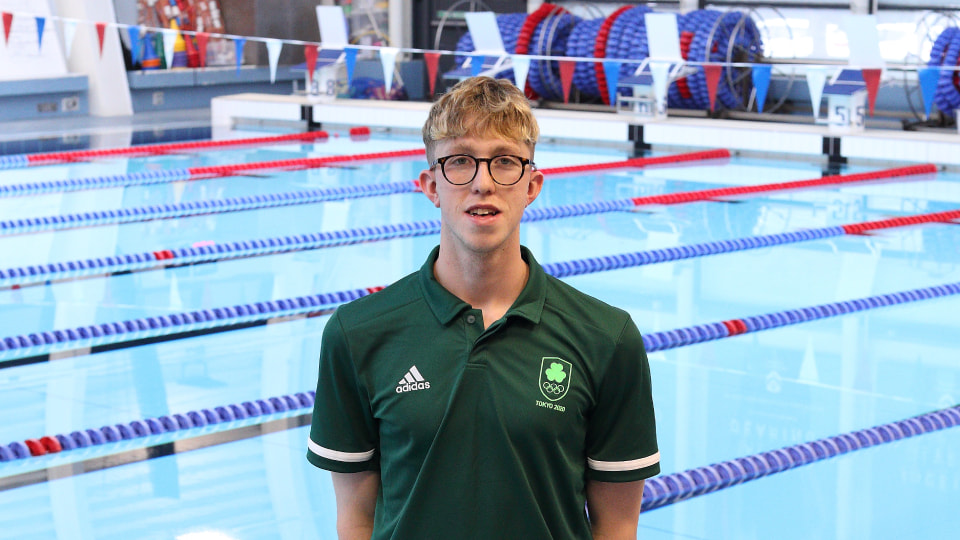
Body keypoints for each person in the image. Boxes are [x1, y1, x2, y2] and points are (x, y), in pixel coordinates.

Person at [306, 76, 659, 540]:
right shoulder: (358, 333)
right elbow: (356, 520)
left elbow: (616, 526)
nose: (483, 183)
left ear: (532, 185)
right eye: (460, 162)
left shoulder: (606, 338)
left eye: (504, 162)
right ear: (431, 185)